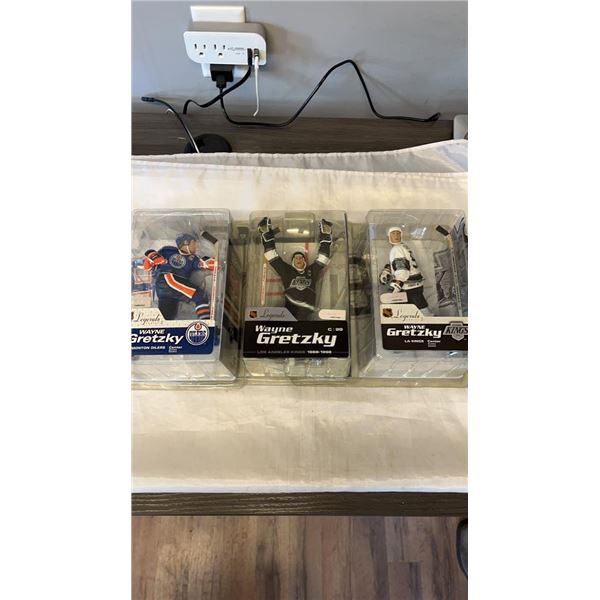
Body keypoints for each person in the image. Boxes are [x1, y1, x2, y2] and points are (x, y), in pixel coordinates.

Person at [259, 216, 333, 320]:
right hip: (289, 312)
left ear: (304, 260)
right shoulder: (287, 271)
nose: (299, 259)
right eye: (296, 258)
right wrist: (267, 236)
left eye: (301, 258)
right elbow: (270, 254)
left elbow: (323, 258)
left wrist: (326, 237)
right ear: (293, 261)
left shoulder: (311, 271)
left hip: (307, 312)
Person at [143, 233, 216, 320]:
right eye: (194, 243)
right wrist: (151, 256)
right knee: (200, 296)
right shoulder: (167, 250)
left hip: (167, 291)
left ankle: (163, 327)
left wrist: (212, 263)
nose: (196, 247)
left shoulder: (193, 258)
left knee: (168, 316)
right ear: (186, 243)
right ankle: (205, 323)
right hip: (169, 279)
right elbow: (147, 266)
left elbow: (203, 264)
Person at [379, 226, 430, 313]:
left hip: (409, 286)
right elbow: (405, 263)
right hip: (415, 284)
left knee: (418, 310)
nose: (396, 236)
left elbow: (402, 269)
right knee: (418, 308)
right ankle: (428, 317)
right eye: (393, 233)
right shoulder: (403, 246)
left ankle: (429, 318)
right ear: (388, 237)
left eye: (398, 233)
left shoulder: (396, 249)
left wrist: (397, 284)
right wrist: (389, 268)